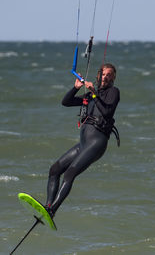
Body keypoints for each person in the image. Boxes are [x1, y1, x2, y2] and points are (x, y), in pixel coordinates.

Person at [45, 63, 120, 218]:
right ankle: (47, 206)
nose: (104, 77)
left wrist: (94, 93)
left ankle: (52, 211)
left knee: (70, 173)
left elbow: (107, 112)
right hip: (83, 144)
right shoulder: (90, 96)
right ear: (98, 76)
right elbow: (65, 102)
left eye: (108, 75)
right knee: (54, 170)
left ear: (113, 78)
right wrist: (76, 88)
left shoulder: (113, 92)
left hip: (96, 143)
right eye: (102, 74)